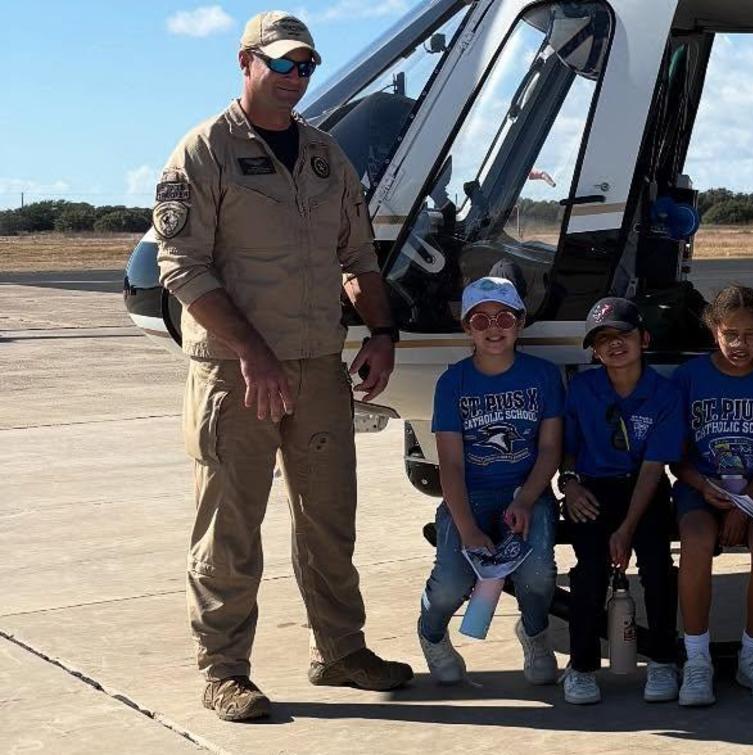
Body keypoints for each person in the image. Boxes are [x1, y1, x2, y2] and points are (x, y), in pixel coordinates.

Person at [155, 10, 411, 720]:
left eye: (306, 66)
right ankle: (224, 669)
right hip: (235, 375)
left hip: (317, 367)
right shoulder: (204, 150)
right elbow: (182, 267)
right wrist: (254, 355)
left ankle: (341, 649)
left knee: (329, 518)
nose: (295, 77)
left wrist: (382, 331)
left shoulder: (327, 155)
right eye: (282, 63)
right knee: (230, 526)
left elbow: (357, 257)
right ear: (247, 63)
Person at [418, 277, 563, 687]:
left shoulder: (544, 376)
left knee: (538, 576)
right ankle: (431, 635)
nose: (493, 328)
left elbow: (550, 449)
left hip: (526, 493)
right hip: (468, 496)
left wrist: (527, 500)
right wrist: (467, 529)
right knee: (450, 584)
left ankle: (534, 635)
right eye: (480, 320)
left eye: (504, 318)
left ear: (520, 322)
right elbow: (450, 464)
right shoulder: (453, 383)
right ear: (467, 327)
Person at [670, 285, 753, 706]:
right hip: (702, 486)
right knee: (696, 537)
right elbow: (676, 458)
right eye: (731, 334)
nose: (741, 344)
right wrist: (704, 487)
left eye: (752, 335)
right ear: (714, 330)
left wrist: (743, 506)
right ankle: (697, 658)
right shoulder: (689, 377)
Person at [557, 297, 687, 705]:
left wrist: (627, 529)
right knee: (589, 570)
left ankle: (663, 659)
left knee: (656, 566)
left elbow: (653, 467)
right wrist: (570, 486)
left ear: (643, 339)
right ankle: (581, 667)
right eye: (602, 340)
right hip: (592, 489)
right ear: (594, 351)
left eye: (623, 335)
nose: (614, 345)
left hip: (644, 488)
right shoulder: (582, 389)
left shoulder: (665, 394)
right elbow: (568, 449)